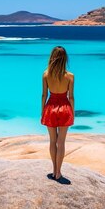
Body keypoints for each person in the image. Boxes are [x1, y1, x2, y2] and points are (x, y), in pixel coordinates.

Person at [40, 46, 74, 184]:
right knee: (61, 142)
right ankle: (59, 172)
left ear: (52, 57)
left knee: (52, 141)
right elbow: (71, 97)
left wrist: (43, 111)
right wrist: (72, 111)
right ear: (65, 58)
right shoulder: (70, 76)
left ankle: (54, 170)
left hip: (51, 107)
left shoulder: (46, 74)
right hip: (65, 108)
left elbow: (44, 95)